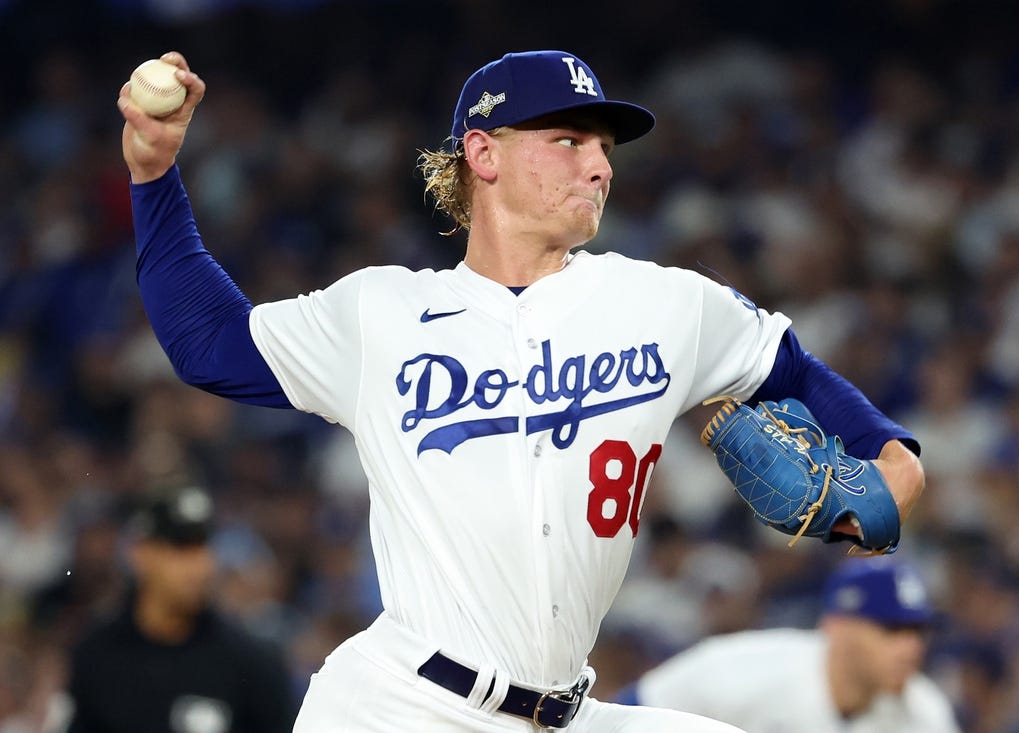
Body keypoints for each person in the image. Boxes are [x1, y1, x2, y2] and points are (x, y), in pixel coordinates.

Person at [115, 48, 925, 732]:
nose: (601, 164)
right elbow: (208, 341)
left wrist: (894, 455)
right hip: (401, 704)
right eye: (570, 140)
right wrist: (153, 176)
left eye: (604, 146)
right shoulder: (381, 313)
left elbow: (794, 370)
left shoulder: (666, 304)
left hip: (563, 711)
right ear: (484, 153)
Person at [613, 557, 960, 732]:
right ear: (836, 627)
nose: (911, 647)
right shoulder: (743, 671)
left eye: (918, 631)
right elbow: (624, 714)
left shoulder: (924, 713)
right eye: (890, 629)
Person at [64, 485, 296, 733]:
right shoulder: (96, 654)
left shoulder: (251, 663)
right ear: (139, 554)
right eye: (180, 549)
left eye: (202, 547)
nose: (197, 566)